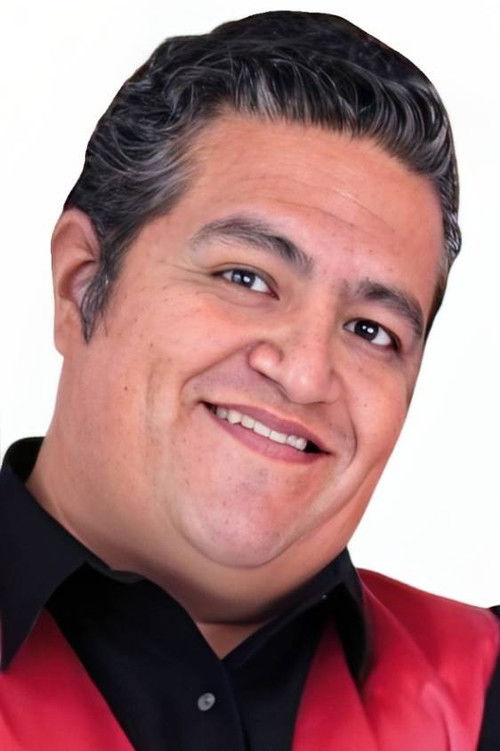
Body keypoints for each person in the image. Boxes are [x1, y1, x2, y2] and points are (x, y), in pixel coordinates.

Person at [0, 10, 498, 750]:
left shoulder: (477, 693)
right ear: (81, 284)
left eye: (371, 330)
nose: (305, 374)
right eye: (246, 277)